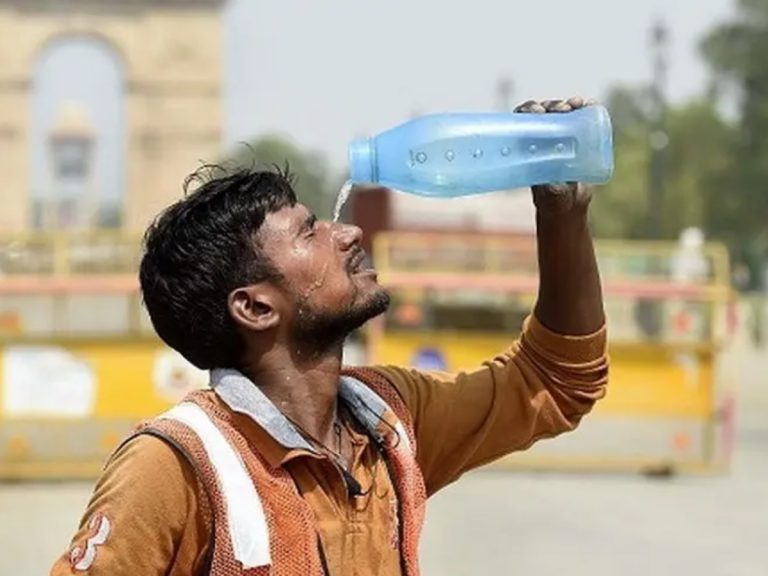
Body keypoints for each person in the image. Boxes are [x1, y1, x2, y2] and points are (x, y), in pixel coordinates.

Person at [52, 97, 609, 576]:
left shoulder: (391, 420)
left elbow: (556, 380)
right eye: (309, 232)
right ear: (254, 306)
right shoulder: (176, 466)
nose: (348, 232)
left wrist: (562, 216)